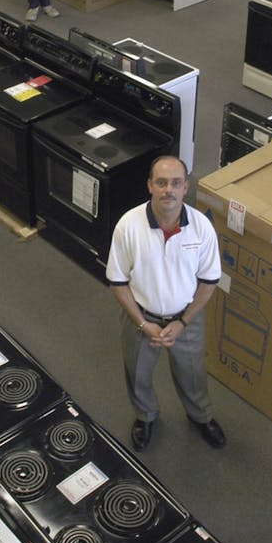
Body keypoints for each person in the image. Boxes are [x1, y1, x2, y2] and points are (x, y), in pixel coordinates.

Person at [106, 155, 226, 453]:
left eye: (175, 183)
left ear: (186, 187)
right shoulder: (128, 226)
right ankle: (145, 416)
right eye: (161, 182)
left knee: (192, 372)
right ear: (149, 186)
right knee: (137, 373)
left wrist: (183, 322)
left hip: (185, 319)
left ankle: (201, 417)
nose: (168, 190)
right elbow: (117, 282)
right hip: (140, 317)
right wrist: (142, 323)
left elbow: (209, 282)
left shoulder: (201, 229)